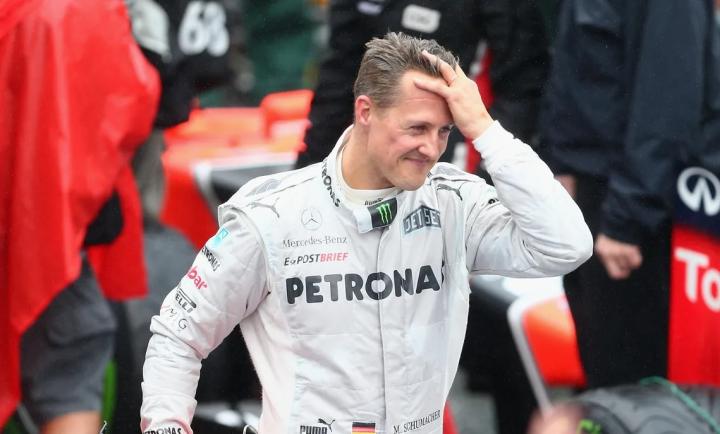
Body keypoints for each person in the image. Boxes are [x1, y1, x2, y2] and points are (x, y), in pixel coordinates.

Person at [141, 32, 592, 434]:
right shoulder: (273, 215)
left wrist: (486, 131)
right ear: (365, 112)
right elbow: (178, 335)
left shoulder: (455, 203)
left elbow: (567, 245)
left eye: (444, 131)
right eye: (416, 128)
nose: (431, 148)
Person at [540, 0, 720, 388]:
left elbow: (667, 103)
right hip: (592, 191)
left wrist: (627, 220)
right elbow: (578, 67)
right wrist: (560, 164)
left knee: (631, 382)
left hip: (632, 206)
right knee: (600, 369)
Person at [295, 0, 550, 168]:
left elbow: (522, 88)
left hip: (457, 160)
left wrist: (489, 177)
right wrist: (312, 165)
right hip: (375, 156)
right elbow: (339, 77)